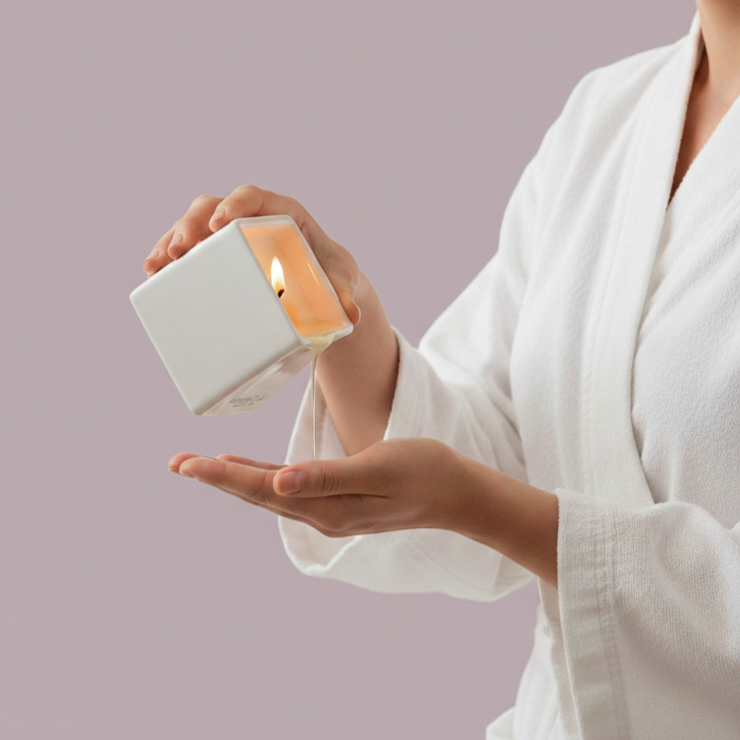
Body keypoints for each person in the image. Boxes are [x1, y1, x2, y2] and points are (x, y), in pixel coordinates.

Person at [150, 3, 740, 737]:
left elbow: (492, 494)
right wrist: (338, 314)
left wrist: (484, 507)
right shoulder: (609, 116)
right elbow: (504, 438)